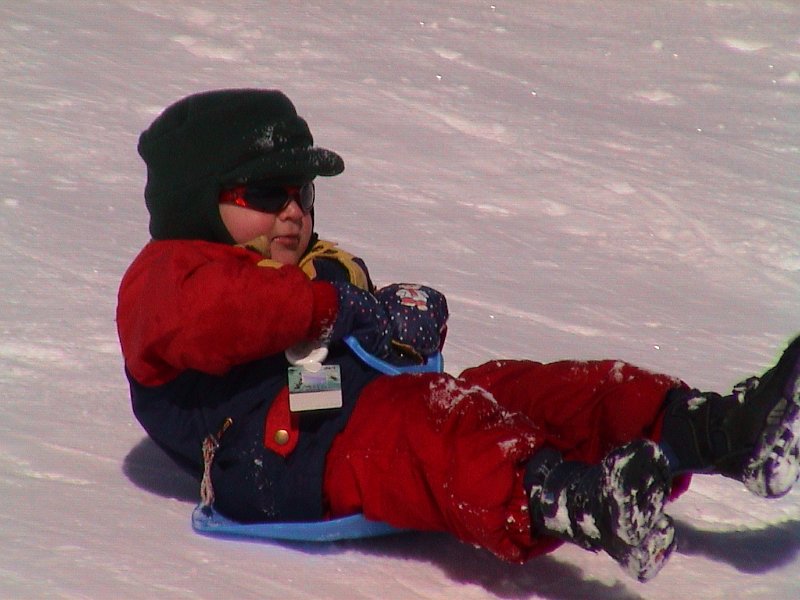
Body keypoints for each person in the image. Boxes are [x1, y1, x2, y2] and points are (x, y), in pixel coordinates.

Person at [117, 89, 800, 583]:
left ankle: (714, 429)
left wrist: (394, 323)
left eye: (302, 194)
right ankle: (574, 499)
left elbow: (330, 347)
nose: (293, 211)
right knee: (433, 422)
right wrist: (341, 309)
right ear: (197, 202)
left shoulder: (314, 268)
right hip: (278, 457)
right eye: (268, 195)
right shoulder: (168, 276)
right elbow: (226, 314)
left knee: (515, 390)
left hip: (343, 413)